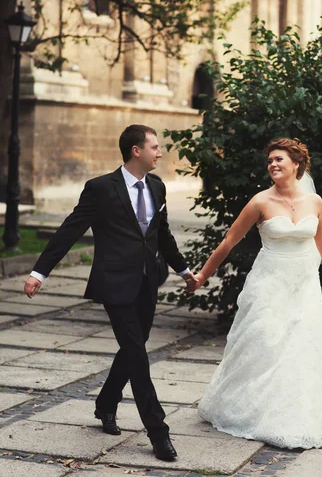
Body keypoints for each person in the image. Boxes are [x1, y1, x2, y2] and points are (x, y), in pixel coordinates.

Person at [24, 124, 194, 461]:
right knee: (137, 353)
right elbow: (70, 230)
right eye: (155, 147)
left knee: (134, 349)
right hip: (114, 283)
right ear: (136, 151)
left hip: (147, 282)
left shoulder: (157, 187)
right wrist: (38, 271)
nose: (160, 153)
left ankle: (105, 404)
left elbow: (162, 237)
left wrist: (185, 271)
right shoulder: (101, 188)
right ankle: (158, 433)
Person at [189, 138, 322, 449]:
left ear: (297, 165)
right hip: (269, 283)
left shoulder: (314, 202)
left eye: (279, 160)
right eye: (270, 161)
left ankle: (297, 414)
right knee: (264, 342)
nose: (273, 165)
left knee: (301, 348)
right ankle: (249, 409)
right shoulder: (260, 202)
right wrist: (203, 276)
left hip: (303, 286)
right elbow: (229, 242)